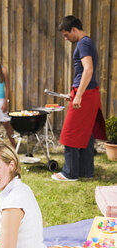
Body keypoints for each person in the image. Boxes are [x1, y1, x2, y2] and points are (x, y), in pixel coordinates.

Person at [51, 16, 106, 181]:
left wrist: (79, 95)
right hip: (88, 93)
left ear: (74, 29)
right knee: (85, 133)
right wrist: (74, 92)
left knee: (70, 132)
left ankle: (69, 173)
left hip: (86, 94)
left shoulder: (83, 43)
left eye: (67, 35)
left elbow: (88, 69)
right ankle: (85, 171)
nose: (66, 39)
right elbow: (83, 73)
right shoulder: (87, 43)